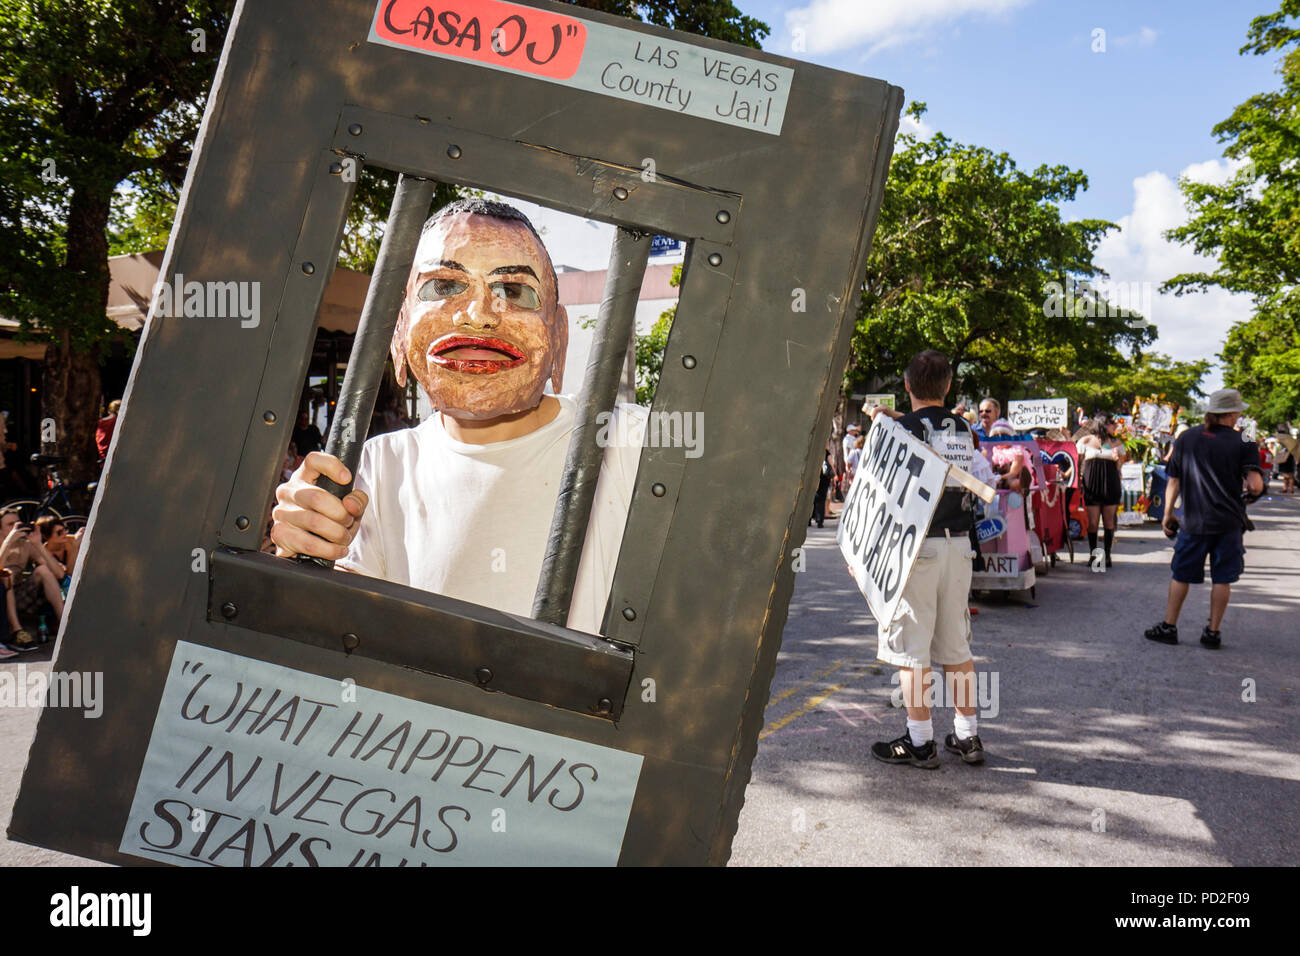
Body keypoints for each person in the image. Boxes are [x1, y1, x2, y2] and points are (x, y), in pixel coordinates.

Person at [271, 198, 644, 635]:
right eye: (444, 287)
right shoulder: (373, 468)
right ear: (399, 330)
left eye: (515, 291)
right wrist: (304, 552)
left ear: (558, 336)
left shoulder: (632, 444)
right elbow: (342, 635)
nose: (478, 316)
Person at [867, 351, 984, 768]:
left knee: (912, 651)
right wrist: (897, 419)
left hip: (918, 548)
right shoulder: (965, 429)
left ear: (907, 385)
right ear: (949, 386)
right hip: (959, 545)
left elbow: (880, 495)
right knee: (956, 645)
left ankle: (920, 741)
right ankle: (968, 737)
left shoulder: (900, 431)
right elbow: (934, 432)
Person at [1145, 389, 1265, 648]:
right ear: (1232, 414)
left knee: (1181, 575)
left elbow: (1173, 480)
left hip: (1193, 520)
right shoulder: (1244, 441)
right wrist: (1251, 487)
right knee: (1222, 578)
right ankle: (1212, 632)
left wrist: (1167, 514)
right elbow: (1255, 485)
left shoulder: (1187, 438)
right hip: (1229, 521)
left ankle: (1169, 626)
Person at [0, 508, 66, 651]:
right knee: (6, 574)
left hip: (19, 594)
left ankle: (66, 623)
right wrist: (9, 541)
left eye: (17, 523)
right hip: (2, 596)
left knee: (43, 570)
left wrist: (37, 544)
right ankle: (17, 631)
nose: (15, 527)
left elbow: (59, 574)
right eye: (10, 524)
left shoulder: (26, 544)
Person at [1076, 413, 1126, 567]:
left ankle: (1108, 555)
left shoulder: (1116, 443)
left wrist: (1118, 460)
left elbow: (1119, 467)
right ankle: (1094, 556)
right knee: (1092, 522)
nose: (1115, 426)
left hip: (1110, 483)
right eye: (1112, 423)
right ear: (1103, 424)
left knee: (1109, 521)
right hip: (1092, 485)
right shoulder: (1085, 440)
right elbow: (1077, 463)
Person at [810, 447, 832, 528]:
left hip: (813, 476)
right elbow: (831, 463)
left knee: (811, 497)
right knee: (821, 498)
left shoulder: (812, 451)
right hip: (823, 477)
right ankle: (819, 520)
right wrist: (835, 473)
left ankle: (809, 519)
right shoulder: (826, 453)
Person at [96, 399, 121, 466]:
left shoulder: (100, 422)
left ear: (109, 411)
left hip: (101, 456)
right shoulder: (116, 422)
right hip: (113, 457)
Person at [1275, 423, 1297, 494]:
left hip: (1287, 459)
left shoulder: (1287, 442)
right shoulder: (1289, 441)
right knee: (1287, 475)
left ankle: (1290, 488)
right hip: (1287, 459)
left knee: (1289, 475)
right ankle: (1286, 488)